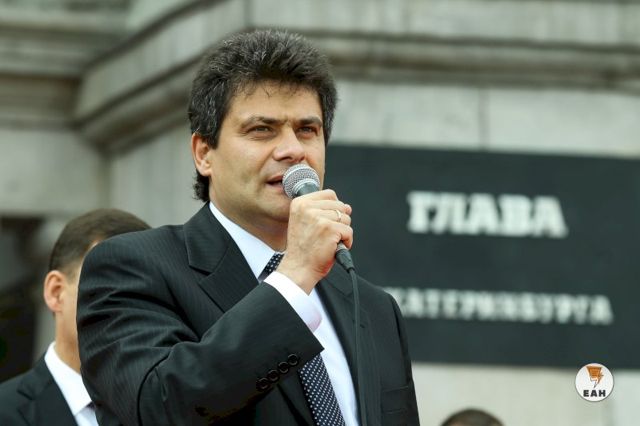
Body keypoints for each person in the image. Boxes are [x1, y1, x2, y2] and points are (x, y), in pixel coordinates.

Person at [76, 29, 419, 426]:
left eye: (307, 130)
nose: (293, 150)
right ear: (204, 153)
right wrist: (293, 278)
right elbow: (159, 407)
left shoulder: (373, 307)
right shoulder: (131, 269)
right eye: (262, 129)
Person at [0, 209, 150, 426]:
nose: (130, 306)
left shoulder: (172, 410)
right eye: (109, 285)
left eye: (146, 293)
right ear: (56, 292)